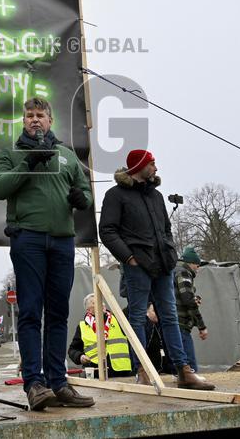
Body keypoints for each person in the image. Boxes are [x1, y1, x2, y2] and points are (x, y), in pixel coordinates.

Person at [0, 97, 95, 410]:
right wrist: (29, 162)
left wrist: (82, 198)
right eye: (29, 115)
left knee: (59, 313)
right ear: (23, 121)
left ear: (50, 120)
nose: (35, 119)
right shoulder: (11, 153)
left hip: (62, 241)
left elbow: (85, 191)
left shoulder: (67, 155)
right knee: (31, 312)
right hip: (28, 239)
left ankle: (58, 383)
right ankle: (34, 385)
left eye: (40, 115)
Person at [99, 149, 214, 391]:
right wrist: (129, 257)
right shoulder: (116, 195)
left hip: (163, 265)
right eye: (152, 163)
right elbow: (107, 230)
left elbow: (166, 229)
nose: (156, 168)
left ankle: (183, 370)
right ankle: (142, 370)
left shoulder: (156, 196)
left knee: (170, 316)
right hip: (138, 265)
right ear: (139, 166)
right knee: (138, 317)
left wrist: (170, 253)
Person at [67, 294, 134, 378]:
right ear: (88, 310)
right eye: (94, 302)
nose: (101, 303)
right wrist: (80, 357)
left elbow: (134, 306)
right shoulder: (82, 326)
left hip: (122, 372)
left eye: (101, 301)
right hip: (96, 374)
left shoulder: (118, 319)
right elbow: (72, 350)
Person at [173, 246, 208, 372]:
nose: (198, 269)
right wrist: (201, 326)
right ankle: (190, 375)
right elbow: (187, 300)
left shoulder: (174, 271)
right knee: (190, 363)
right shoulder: (183, 273)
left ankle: (181, 375)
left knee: (179, 359)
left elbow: (182, 296)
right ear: (191, 263)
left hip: (174, 322)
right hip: (181, 323)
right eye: (197, 266)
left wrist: (194, 298)